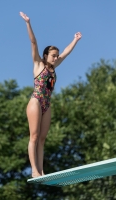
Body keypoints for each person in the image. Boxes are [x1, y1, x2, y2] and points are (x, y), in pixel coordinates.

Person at [19, 11, 82, 178]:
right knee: (34, 135)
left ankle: (41, 171)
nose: (56, 58)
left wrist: (75, 40)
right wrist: (28, 23)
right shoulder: (38, 64)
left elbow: (67, 52)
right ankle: (34, 171)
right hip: (36, 102)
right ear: (46, 55)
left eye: (56, 56)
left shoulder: (54, 67)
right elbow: (33, 42)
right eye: (54, 55)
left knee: (42, 139)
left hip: (47, 104)